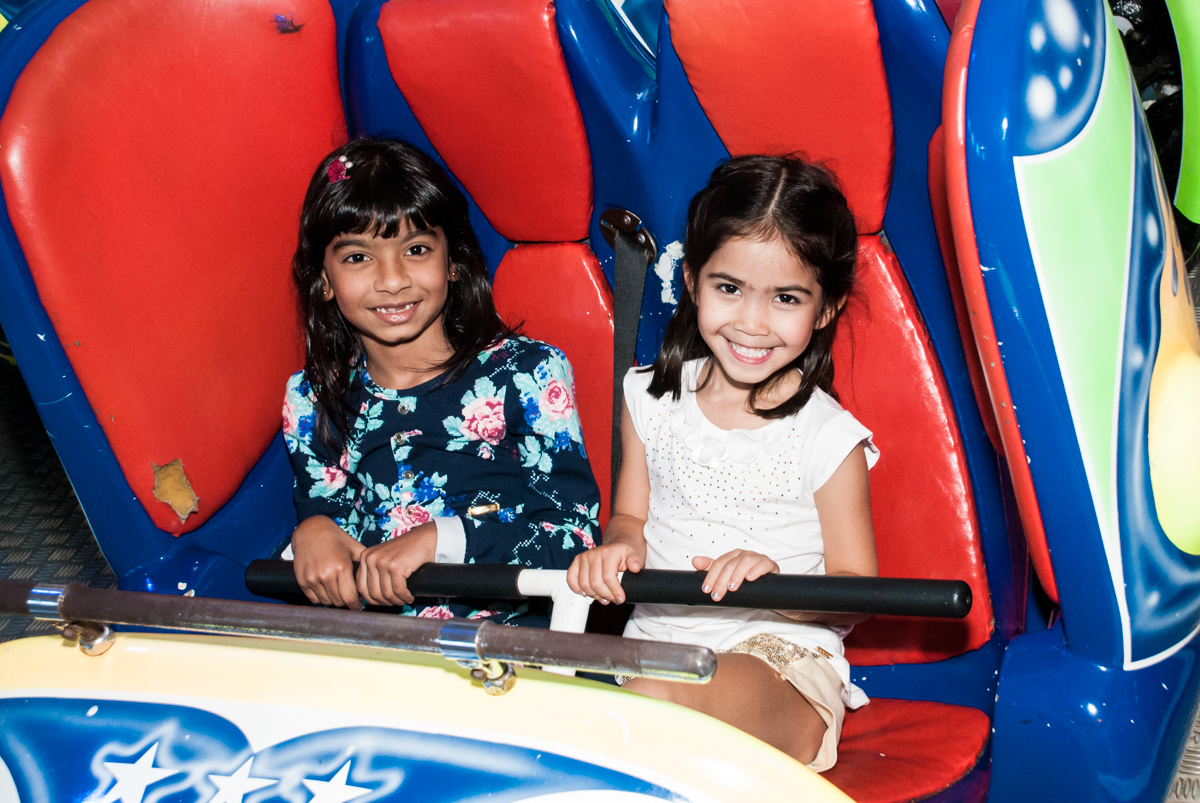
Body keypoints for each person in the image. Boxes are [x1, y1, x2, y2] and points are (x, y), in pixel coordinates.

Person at [567, 155, 877, 769]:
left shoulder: (827, 437)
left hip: (778, 666)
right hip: (653, 650)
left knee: (653, 708)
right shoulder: (649, 396)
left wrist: (778, 587)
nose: (752, 323)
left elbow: (858, 593)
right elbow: (630, 516)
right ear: (692, 281)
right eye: (729, 289)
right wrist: (618, 548)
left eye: (786, 298)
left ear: (827, 308)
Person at [283, 138, 601, 624]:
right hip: (377, 657)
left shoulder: (526, 374)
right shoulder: (311, 401)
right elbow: (329, 534)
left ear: (452, 261)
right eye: (357, 258)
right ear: (322, 278)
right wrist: (313, 532)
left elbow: (575, 537)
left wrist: (445, 539)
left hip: (510, 652)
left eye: (415, 250)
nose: (391, 280)